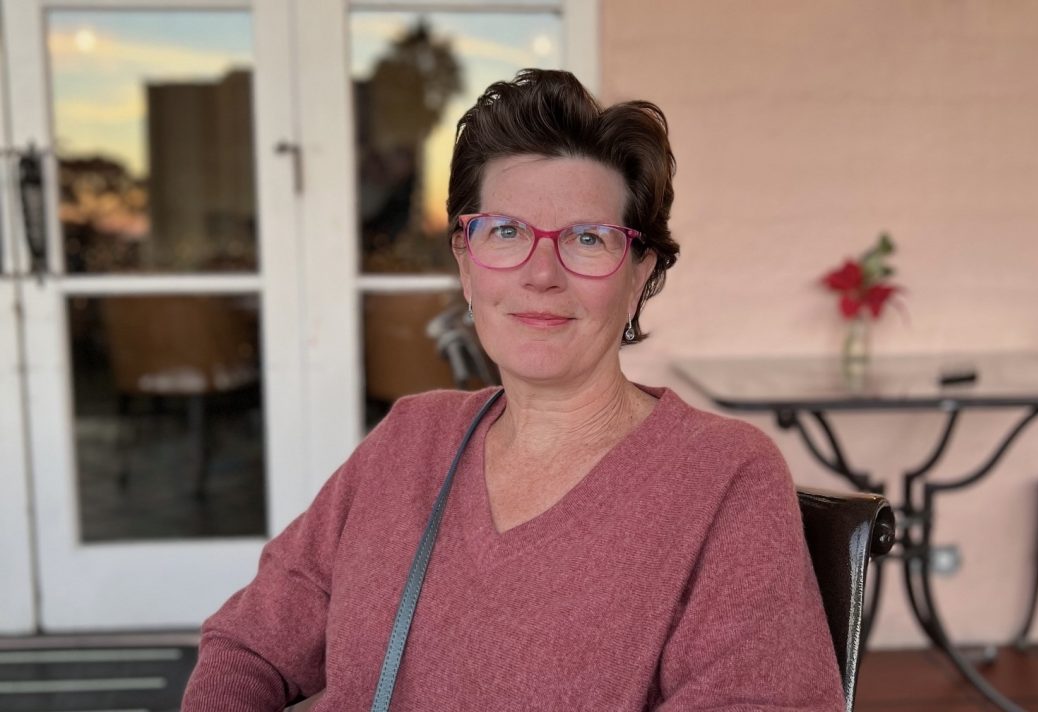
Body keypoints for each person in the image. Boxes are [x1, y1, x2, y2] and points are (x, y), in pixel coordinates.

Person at [182, 69, 844, 711]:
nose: (541, 274)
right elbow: (248, 645)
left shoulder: (723, 479)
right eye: (506, 232)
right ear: (467, 266)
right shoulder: (409, 440)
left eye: (588, 238)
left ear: (639, 276)